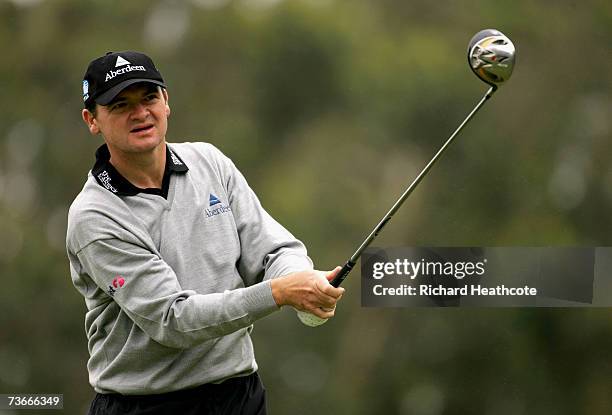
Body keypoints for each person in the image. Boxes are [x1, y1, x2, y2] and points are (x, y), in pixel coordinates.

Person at [66, 51, 345, 415]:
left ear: (166, 102)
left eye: (149, 97)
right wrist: (280, 293)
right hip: (146, 405)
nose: (140, 113)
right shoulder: (94, 216)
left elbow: (273, 249)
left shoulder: (209, 162)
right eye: (120, 105)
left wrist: (301, 281)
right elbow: (174, 320)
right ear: (92, 120)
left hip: (239, 396)